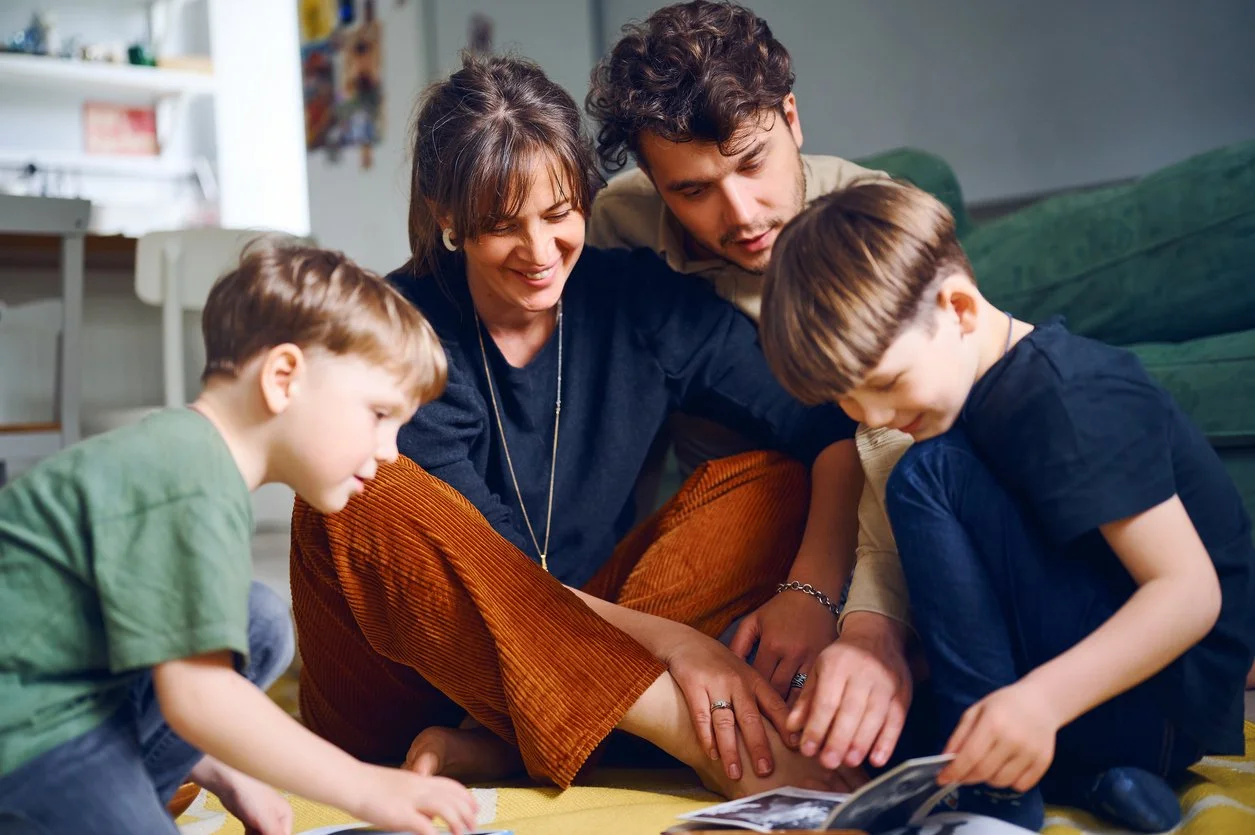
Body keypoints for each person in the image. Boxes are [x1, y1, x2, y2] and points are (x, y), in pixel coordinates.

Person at [289, 52, 867, 799]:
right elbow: (489, 574)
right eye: (501, 227)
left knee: (768, 481)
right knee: (358, 488)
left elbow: (826, 425)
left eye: (559, 214)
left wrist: (811, 594)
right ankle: (668, 724)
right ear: (446, 218)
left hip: (590, 630)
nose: (538, 253)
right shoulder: (391, 332)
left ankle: (506, 743)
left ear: (585, 197)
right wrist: (677, 646)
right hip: (401, 683)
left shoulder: (637, 298)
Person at [758, 179, 1255, 832]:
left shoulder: (1067, 392)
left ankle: (995, 791)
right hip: (1099, 705)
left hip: (1158, 697)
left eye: (885, 382)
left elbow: (1188, 593)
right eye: (847, 402)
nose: (874, 417)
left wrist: (1038, 702)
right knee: (843, 733)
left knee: (922, 476)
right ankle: (1089, 776)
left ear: (958, 308)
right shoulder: (968, 401)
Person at [0, 244, 478, 835]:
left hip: (74, 706)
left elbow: (149, 659)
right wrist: (365, 786)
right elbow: (196, 694)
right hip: (27, 732)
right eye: (380, 415)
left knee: (256, 621)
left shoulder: (193, 462)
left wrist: (229, 771)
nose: (390, 452)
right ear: (283, 379)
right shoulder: (184, 477)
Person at [586, 0, 917, 777]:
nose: (738, 214)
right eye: (691, 190)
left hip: (871, 521)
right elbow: (617, 422)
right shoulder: (622, 223)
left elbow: (899, 451)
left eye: (750, 163)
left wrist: (841, 608)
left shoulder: (880, 224)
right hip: (721, 518)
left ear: (791, 118)